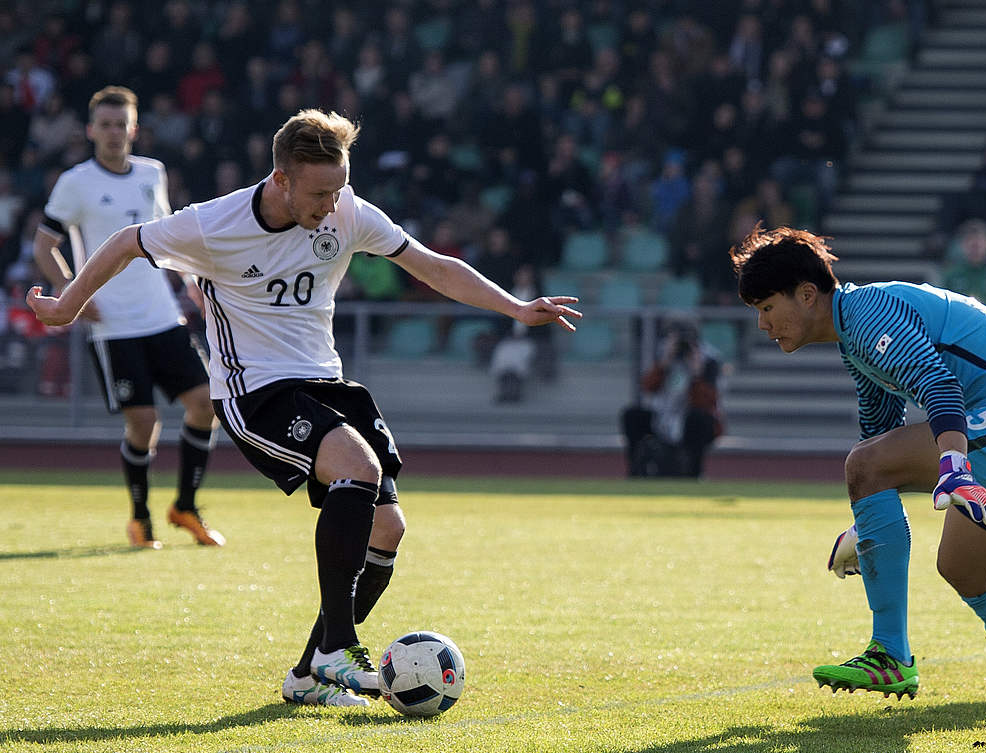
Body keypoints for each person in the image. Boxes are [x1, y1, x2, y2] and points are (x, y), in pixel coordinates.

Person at [27, 109, 582, 708]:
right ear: (281, 179)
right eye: (320, 192)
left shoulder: (347, 212)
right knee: (358, 471)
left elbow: (429, 265)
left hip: (327, 384)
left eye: (340, 187)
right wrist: (69, 304)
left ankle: (306, 675)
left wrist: (516, 308)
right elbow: (125, 241)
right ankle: (338, 650)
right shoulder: (215, 224)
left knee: (389, 530)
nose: (332, 203)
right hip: (253, 392)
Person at [729, 225, 986, 723]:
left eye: (767, 308)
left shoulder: (865, 316)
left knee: (864, 465)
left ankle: (890, 654)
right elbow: (881, 443)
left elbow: (939, 389)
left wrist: (953, 465)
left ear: (807, 294)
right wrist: (867, 529)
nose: (762, 324)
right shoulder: (854, 335)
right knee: (964, 571)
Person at [32, 85, 221, 551]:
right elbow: (44, 245)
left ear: (134, 129)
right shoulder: (76, 181)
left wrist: (192, 281)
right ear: (91, 130)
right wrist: (74, 291)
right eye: (107, 125)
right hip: (113, 325)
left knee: (206, 404)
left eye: (123, 125)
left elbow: (167, 238)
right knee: (144, 421)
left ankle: (186, 507)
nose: (115, 133)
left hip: (161, 314)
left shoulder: (151, 173)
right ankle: (140, 519)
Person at [620, 321, 724, 478]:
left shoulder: (709, 360)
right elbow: (647, 387)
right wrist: (664, 363)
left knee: (699, 419)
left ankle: (694, 472)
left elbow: (707, 401)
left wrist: (696, 373)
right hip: (662, 415)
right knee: (632, 415)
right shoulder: (663, 354)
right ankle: (636, 470)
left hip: (691, 418)